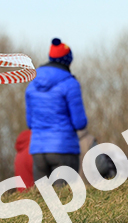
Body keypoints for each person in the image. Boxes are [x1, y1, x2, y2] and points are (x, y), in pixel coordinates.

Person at [25, 38, 88, 187]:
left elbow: (30, 123)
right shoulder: (70, 83)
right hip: (63, 148)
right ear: (67, 62)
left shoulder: (32, 83)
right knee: (64, 201)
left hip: (38, 151)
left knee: (44, 201)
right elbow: (80, 123)